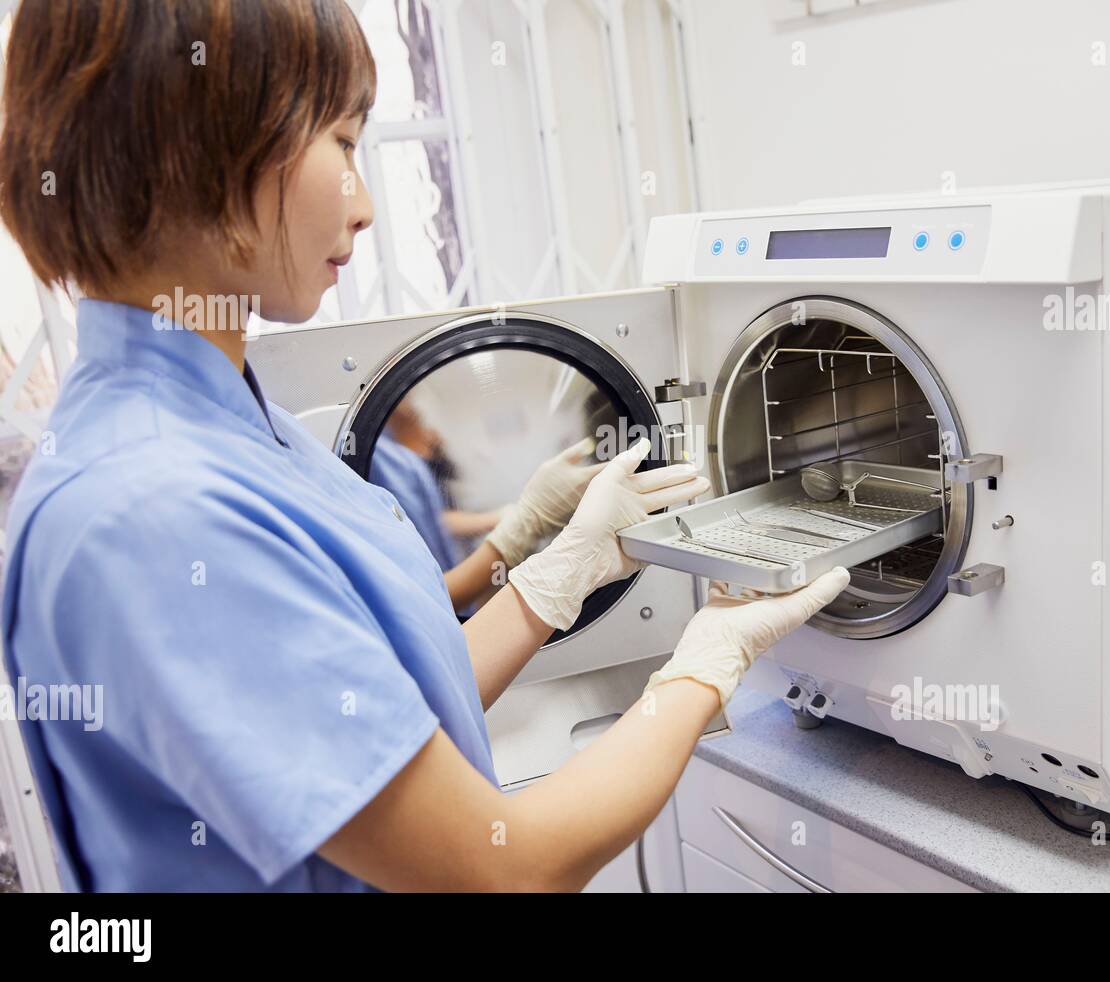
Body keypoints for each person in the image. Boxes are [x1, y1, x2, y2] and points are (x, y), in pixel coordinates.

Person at [0, 0, 848, 892]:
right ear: (197, 145)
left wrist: (552, 575)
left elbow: (388, 718)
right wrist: (705, 667)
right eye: (341, 142)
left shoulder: (229, 429)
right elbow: (505, 870)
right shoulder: (153, 515)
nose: (363, 208)